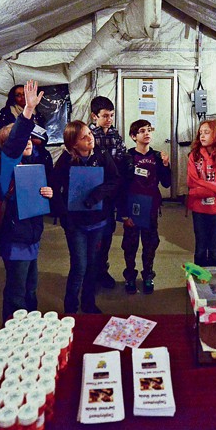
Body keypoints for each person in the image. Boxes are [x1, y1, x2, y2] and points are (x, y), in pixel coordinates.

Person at [0, 80, 53, 323]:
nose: (27, 141)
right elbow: (16, 141)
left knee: (31, 287)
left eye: (30, 138)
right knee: (17, 292)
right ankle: (14, 329)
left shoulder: (32, 166)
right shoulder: (8, 165)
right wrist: (28, 110)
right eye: (21, 139)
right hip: (15, 239)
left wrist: (47, 192)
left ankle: (31, 325)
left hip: (31, 237)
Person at [52, 120, 120, 314]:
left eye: (90, 133)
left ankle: (88, 303)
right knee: (79, 266)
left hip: (98, 222)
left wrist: (97, 195)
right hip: (76, 225)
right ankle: (71, 308)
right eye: (84, 137)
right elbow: (54, 189)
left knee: (93, 265)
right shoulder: (65, 161)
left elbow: (114, 180)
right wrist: (65, 215)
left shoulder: (101, 156)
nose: (90, 138)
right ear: (73, 144)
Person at [120, 119, 172, 295]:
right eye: (142, 131)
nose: (146, 133)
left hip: (150, 208)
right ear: (134, 136)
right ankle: (130, 276)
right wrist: (124, 214)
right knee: (130, 245)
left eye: (149, 130)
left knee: (150, 245)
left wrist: (166, 165)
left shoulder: (157, 157)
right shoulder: (127, 157)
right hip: (133, 208)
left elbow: (166, 183)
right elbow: (122, 187)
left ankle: (148, 275)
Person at [89, 96, 128, 289]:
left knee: (107, 233)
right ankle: (91, 273)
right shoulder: (87, 135)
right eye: (105, 116)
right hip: (94, 193)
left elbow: (122, 155)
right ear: (94, 116)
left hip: (111, 192)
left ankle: (102, 270)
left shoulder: (115, 135)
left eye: (112, 115)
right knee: (94, 235)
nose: (109, 119)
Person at [187, 119, 216, 267]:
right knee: (200, 248)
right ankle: (197, 283)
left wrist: (201, 189)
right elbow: (192, 182)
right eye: (200, 132)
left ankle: (214, 283)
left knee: (214, 249)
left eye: (206, 132)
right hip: (199, 208)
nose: (202, 136)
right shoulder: (194, 156)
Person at [0, 84, 48, 154]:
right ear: (13, 98)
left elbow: (44, 137)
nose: (23, 97)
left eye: (24, 94)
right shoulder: (7, 115)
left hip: (37, 155)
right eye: (18, 95)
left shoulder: (38, 115)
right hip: (16, 154)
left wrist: (39, 141)